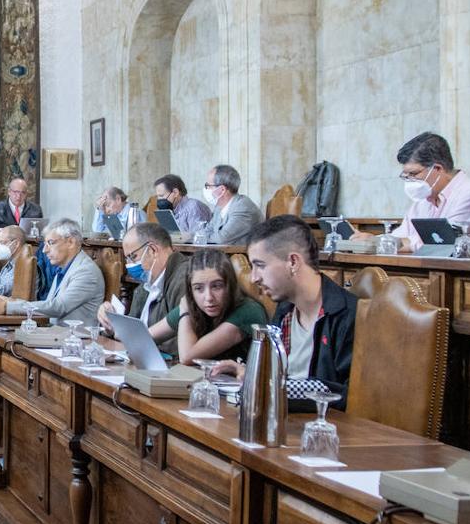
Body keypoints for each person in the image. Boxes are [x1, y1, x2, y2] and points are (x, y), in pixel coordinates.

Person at [213, 215, 357, 411]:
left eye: (260, 265)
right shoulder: (285, 310)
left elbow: (350, 397)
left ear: (293, 262)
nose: (254, 278)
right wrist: (248, 372)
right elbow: (277, 376)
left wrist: (276, 389)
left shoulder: (348, 316)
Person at [354, 132, 470, 252]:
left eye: (413, 174)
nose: (410, 181)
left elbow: (444, 241)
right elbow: (403, 233)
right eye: (406, 175)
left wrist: (387, 243)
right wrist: (374, 239)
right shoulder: (425, 196)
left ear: (438, 169)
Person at [141, 249, 265, 364]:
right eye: (199, 288)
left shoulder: (248, 311)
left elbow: (188, 357)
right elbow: (144, 337)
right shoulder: (194, 305)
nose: (209, 297)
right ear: (190, 291)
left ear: (230, 285)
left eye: (217, 286)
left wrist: (185, 314)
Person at [0, 218, 103, 327]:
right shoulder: (65, 267)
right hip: (55, 335)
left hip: (75, 341)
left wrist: (7, 306)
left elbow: (58, 307)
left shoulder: (86, 272)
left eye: (50, 243)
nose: (44, 250)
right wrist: (9, 301)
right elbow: (48, 304)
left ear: (71, 242)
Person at [97, 223, 189, 354]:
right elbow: (130, 330)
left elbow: (178, 342)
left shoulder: (185, 279)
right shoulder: (145, 285)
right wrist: (111, 322)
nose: (129, 265)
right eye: (127, 259)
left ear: (153, 250)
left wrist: (130, 337)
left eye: (133, 257)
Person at [202, 165, 263, 245]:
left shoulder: (243, 207)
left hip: (241, 255)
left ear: (222, 190)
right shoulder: (219, 207)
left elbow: (221, 239)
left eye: (208, 186)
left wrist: (198, 238)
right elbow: (207, 231)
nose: (206, 189)